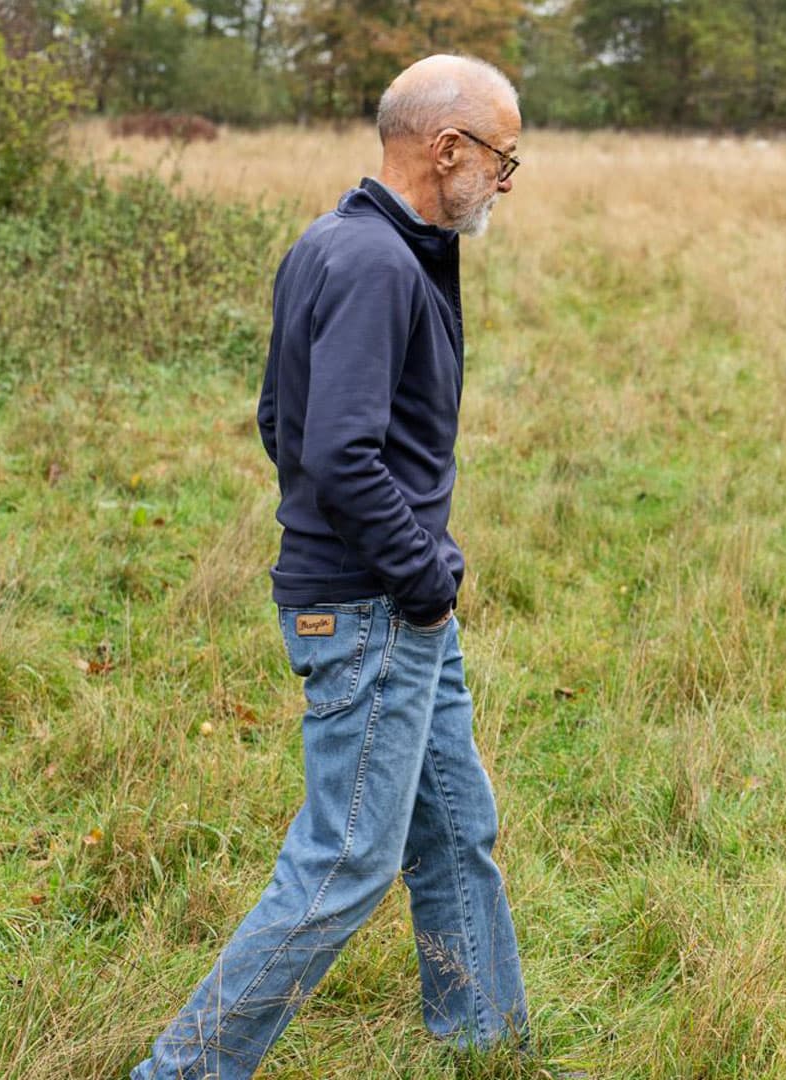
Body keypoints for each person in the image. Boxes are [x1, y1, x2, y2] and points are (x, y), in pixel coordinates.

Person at [132, 54, 527, 1079]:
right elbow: (334, 451)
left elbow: (281, 418)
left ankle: (486, 1043)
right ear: (448, 149)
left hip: (396, 604)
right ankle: (180, 1071)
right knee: (346, 862)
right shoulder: (373, 264)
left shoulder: (354, 242)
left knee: (455, 831)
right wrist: (420, 575)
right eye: (504, 156)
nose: (507, 180)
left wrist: (416, 575)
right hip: (372, 611)